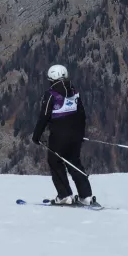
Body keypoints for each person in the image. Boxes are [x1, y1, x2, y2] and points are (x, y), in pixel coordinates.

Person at [32, 65, 97, 207]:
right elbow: (82, 115)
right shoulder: (74, 92)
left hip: (59, 136)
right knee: (74, 162)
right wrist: (80, 134)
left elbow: (44, 117)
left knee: (55, 162)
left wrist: (36, 136)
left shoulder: (51, 95)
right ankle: (86, 196)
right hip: (76, 135)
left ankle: (65, 195)